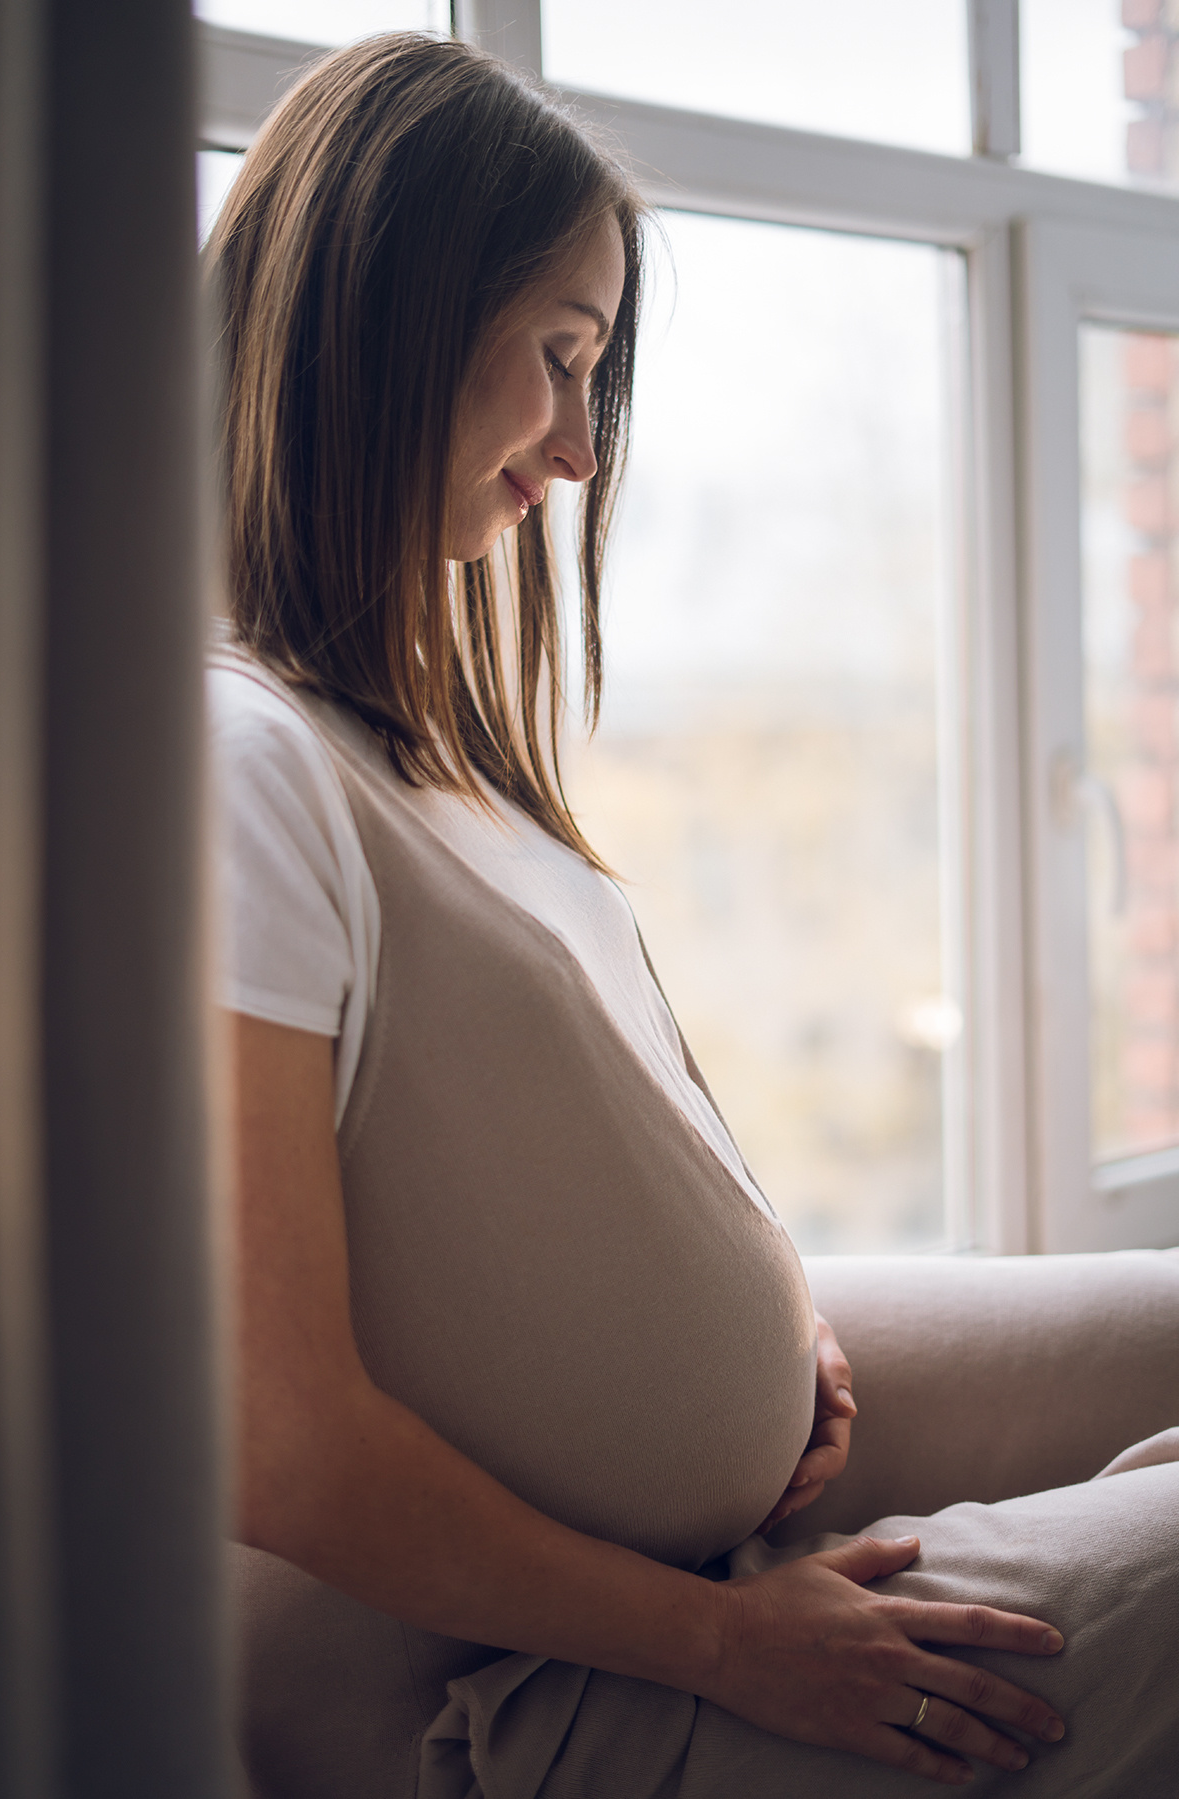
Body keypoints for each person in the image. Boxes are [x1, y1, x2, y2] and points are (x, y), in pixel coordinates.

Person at [206, 32, 1179, 1799]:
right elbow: (277, 1446)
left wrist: (766, 1316)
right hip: (506, 1675)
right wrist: (742, 1642)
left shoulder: (404, 741)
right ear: (394, 317)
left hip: (715, 1513)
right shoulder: (231, 763)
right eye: (562, 359)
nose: (579, 450)